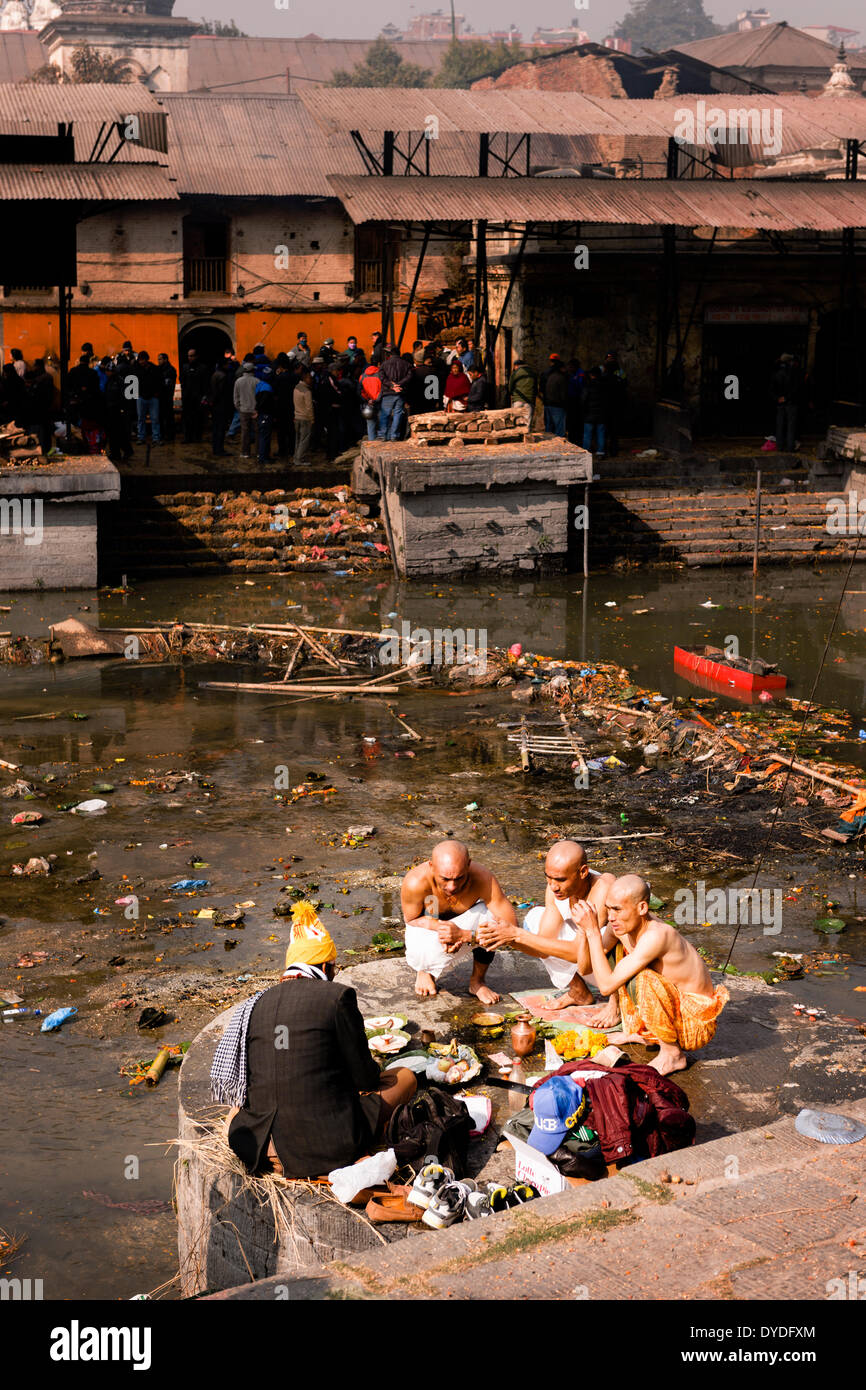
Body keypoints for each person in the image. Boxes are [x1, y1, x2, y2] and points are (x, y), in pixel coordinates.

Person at [222, 915, 416, 1179]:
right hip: (326, 1147)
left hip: (258, 1146)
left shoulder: (254, 1005)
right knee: (404, 1077)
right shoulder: (337, 997)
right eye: (334, 968)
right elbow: (366, 1078)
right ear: (326, 967)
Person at [571, 874, 729, 1075]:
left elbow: (606, 986)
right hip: (671, 1012)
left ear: (642, 908)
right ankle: (644, 1034)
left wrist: (594, 931)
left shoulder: (657, 935)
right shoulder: (619, 925)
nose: (610, 917)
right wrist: (584, 932)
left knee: (641, 978)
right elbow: (585, 968)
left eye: (617, 909)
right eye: (608, 909)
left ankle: (673, 1055)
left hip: (694, 1024)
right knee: (608, 952)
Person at [478, 840, 615, 1009]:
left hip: (611, 968)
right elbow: (543, 949)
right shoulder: (554, 888)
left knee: (531, 935)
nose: (553, 886)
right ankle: (578, 991)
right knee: (535, 918)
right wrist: (507, 938)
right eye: (548, 877)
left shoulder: (602, 889)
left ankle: (615, 1003)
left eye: (560, 880)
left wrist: (516, 934)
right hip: (586, 959)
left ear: (583, 872)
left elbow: (579, 955)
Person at [401, 839, 514, 1003]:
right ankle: (424, 971)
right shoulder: (415, 882)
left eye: (459, 878)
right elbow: (411, 919)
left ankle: (477, 981)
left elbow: (511, 927)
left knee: (492, 920)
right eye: (445, 879)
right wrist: (443, 928)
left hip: (465, 927)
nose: (452, 887)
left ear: (468, 865)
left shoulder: (483, 878)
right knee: (428, 909)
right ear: (431, 866)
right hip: (432, 923)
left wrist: (465, 935)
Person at [377, 344, 412, 440]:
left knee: (385, 414)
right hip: (400, 393)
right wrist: (398, 385)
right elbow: (409, 377)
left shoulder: (384, 364)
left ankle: (382, 435)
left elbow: (381, 377)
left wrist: (392, 385)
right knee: (398, 414)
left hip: (388, 393)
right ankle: (394, 436)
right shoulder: (406, 364)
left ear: (390, 355)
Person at [771, 352, 802, 453]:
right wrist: (787, 398)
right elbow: (796, 389)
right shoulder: (794, 373)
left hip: (780, 402)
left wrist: (777, 398)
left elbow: (771, 389)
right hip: (791, 402)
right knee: (790, 426)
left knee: (780, 425)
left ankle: (779, 446)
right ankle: (790, 447)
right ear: (790, 362)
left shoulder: (776, 373)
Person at [600, 350, 626, 457]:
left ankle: (605, 451)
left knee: (606, 431)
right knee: (611, 431)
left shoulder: (602, 374)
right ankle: (612, 451)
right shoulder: (618, 375)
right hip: (614, 406)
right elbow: (624, 385)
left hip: (607, 406)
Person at [180, 348, 209, 444]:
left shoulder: (203, 368)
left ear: (196, 356)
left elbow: (205, 383)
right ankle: (187, 437)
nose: (190, 358)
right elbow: (182, 380)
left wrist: (204, 395)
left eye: (192, 356)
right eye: (189, 356)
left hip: (198, 397)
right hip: (187, 397)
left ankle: (197, 437)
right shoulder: (185, 367)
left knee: (198, 418)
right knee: (187, 418)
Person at [133, 350, 162, 445]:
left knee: (150, 418)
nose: (141, 362)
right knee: (146, 418)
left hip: (147, 397)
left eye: (142, 360)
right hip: (146, 397)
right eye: (140, 360)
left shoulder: (151, 369)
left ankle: (147, 437)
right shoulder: (153, 368)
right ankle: (153, 437)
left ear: (146, 359)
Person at [210, 355, 234, 457]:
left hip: (215, 406)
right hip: (221, 405)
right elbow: (221, 392)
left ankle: (215, 448)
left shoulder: (215, 374)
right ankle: (220, 449)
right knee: (220, 428)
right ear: (224, 365)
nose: (229, 365)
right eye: (228, 364)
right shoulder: (223, 376)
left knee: (216, 428)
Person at [232, 359, 257, 459]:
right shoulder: (257, 381)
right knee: (257, 433)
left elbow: (235, 397)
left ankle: (245, 452)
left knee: (244, 433)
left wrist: (239, 408)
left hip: (243, 410)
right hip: (254, 411)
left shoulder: (238, 381)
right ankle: (259, 452)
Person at [581, 365, 606, 457]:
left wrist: (584, 411)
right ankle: (600, 452)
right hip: (601, 414)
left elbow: (583, 400)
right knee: (601, 433)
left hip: (589, 414)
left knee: (587, 434)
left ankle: (586, 453)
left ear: (591, 375)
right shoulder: (604, 386)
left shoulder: (587, 386)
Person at [543, 355, 568, 437]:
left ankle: (548, 445)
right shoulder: (561, 378)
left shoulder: (550, 376)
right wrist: (565, 405)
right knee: (559, 430)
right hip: (558, 406)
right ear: (561, 368)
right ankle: (559, 448)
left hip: (548, 404)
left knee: (549, 428)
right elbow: (563, 394)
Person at [293, 367, 314, 464]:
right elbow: (309, 407)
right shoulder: (307, 391)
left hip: (297, 417)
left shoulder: (296, 388)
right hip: (305, 418)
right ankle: (300, 459)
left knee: (297, 439)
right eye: (310, 378)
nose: (311, 380)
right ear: (305, 378)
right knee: (304, 440)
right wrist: (312, 419)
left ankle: (296, 457)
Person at [508, 357, 537, 426]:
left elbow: (510, 387)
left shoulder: (515, 373)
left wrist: (512, 394)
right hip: (529, 400)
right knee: (527, 421)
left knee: (515, 420)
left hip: (518, 399)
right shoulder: (533, 373)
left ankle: (517, 435)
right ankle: (526, 435)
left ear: (516, 366)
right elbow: (536, 387)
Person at [359, 360, 383, 440]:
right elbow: (382, 389)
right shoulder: (380, 375)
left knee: (370, 423)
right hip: (379, 402)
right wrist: (376, 399)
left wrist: (368, 399)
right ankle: (382, 443)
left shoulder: (362, 376)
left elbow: (360, 391)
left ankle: (371, 441)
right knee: (381, 422)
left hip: (368, 403)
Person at [157, 352, 177, 443]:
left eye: (160, 359)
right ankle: (165, 435)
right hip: (162, 397)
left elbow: (167, 384)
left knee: (168, 417)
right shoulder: (160, 369)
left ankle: (169, 435)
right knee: (162, 417)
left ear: (165, 359)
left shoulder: (170, 370)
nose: (158, 361)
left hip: (167, 397)